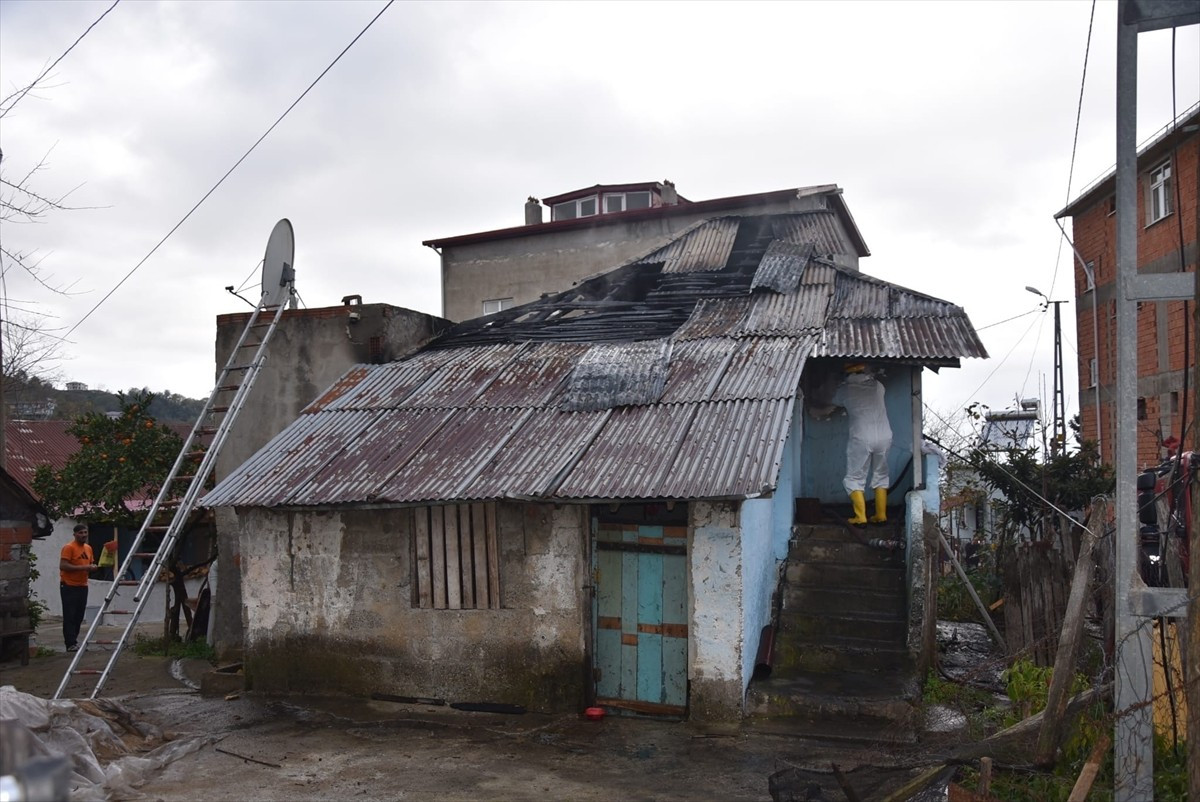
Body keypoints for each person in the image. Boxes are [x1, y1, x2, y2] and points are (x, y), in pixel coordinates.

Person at [833, 363, 892, 526]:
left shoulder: (845, 390)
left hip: (862, 437)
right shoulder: (878, 386)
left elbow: (832, 401)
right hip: (885, 436)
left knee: (854, 476)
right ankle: (881, 515)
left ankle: (860, 517)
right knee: (881, 474)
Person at [59, 523, 98, 652]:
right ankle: (70, 643)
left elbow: (90, 563)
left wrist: (93, 567)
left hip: (82, 585)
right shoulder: (69, 547)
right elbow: (63, 566)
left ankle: (74, 641)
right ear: (75, 534)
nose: (83, 535)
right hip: (69, 585)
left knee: (79, 616)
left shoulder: (88, 548)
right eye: (80, 533)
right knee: (70, 615)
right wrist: (84, 567)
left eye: (85, 532)